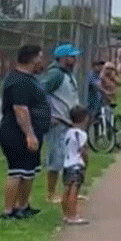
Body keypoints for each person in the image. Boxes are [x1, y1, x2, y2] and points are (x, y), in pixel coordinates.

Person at [1, 44, 50, 219]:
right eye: (40, 57)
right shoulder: (18, 80)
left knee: (28, 171)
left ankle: (22, 206)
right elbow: (20, 109)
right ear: (33, 59)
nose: (42, 62)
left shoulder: (28, 79)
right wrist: (29, 134)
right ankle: (8, 210)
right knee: (17, 171)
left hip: (32, 132)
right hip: (17, 133)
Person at [40, 43, 81, 205]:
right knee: (55, 158)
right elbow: (41, 93)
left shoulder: (68, 74)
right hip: (58, 122)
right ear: (63, 58)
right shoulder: (55, 74)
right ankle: (50, 194)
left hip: (69, 122)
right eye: (72, 56)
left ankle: (66, 192)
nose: (75, 59)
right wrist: (49, 115)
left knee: (67, 158)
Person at [60, 106, 89, 225]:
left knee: (66, 190)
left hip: (67, 164)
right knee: (74, 191)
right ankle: (73, 215)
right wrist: (86, 162)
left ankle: (66, 214)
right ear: (84, 118)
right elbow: (83, 151)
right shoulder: (81, 134)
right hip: (76, 165)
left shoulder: (67, 133)